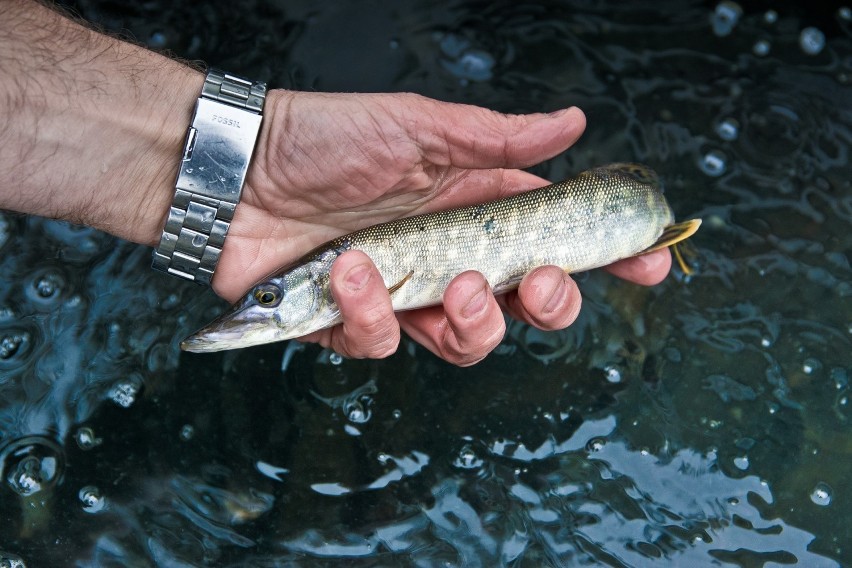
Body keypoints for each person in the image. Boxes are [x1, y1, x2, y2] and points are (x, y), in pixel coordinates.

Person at [0, 0, 670, 366]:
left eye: (269, 295)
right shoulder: (320, 281)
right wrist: (221, 171)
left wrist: (242, 162)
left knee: (595, 265)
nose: (257, 308)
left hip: (617, 211)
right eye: (268, 296)